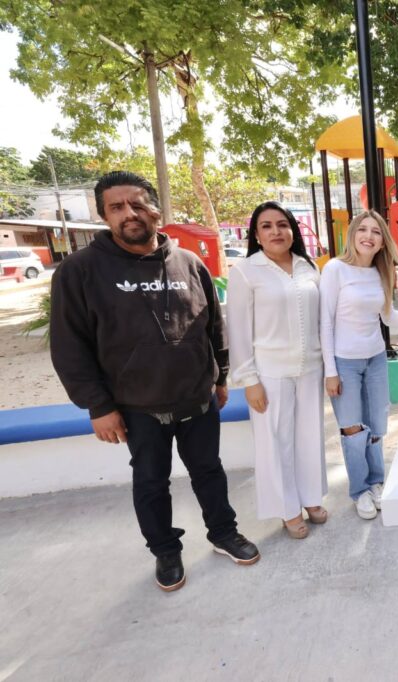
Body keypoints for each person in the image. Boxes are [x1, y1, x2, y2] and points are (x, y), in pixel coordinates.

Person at [49, 171, 259, 593]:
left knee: (209, 472)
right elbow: (69, 346)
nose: (129, 213)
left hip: (197, 399)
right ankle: (165, 550)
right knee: (150, 483)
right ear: (104, 215)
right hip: (136, 407)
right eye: (117, 207)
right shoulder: (79, 271)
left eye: (138, 203)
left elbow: (212, 325)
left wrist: (219, 377)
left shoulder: (189, 263)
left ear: (155, 210)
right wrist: (98, 406)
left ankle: (223, 532)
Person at [320, 210, 398, 520]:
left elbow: (389, 317)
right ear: (353, 234)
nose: (369, 236)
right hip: (344, 362)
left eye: (376, 232)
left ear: (382, 241)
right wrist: (330, 371)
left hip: (375, 358)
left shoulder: (381, 272)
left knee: (376, 425)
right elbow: (325, 322)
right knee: (352, 428)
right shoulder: (335, 269)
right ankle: (360, 490)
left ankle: (376, 482)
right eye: (363, 229)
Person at [227, 202, 327, 539]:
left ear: (292, 230)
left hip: (310, 368)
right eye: (266, 226)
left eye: (282, 224)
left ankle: (311, 497)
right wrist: (249, 380)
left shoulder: (307, 266)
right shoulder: (246, 271)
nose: (276, 232)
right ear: (256, 234)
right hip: (269, 373)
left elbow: (321, 320)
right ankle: (287, 509)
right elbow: (238, 329)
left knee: (310, 437)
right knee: (276, 442)